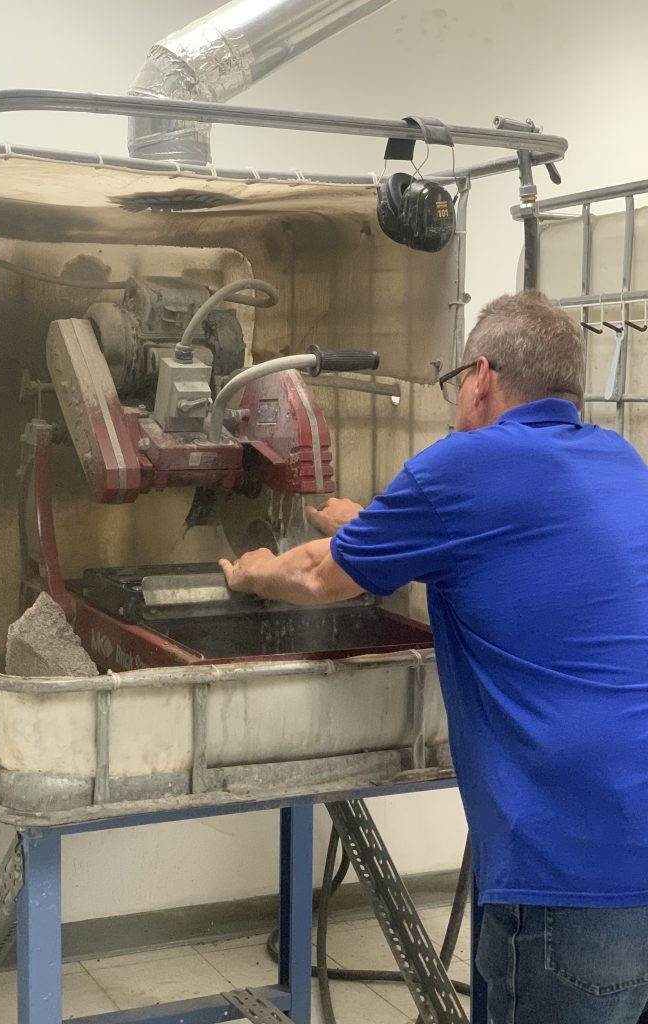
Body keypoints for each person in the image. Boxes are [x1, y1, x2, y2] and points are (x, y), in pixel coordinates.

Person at [220, 290, 648, 1024]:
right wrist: (369, 527)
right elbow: (506, 553)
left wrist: (250, 569)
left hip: (569, 865)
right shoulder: (620, 461)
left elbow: (318, 575)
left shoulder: (465, 463)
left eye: (456, 386)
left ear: (480, 376)